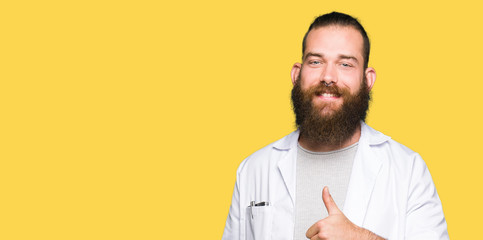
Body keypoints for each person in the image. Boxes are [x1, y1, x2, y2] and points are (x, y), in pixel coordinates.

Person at [222, 12, 448, 240]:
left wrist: (359, 237)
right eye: (316, 62)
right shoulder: (253, 170)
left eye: (346, 64)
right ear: (296, 74)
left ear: (367, 80)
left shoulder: (408, 170)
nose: (328, 77)